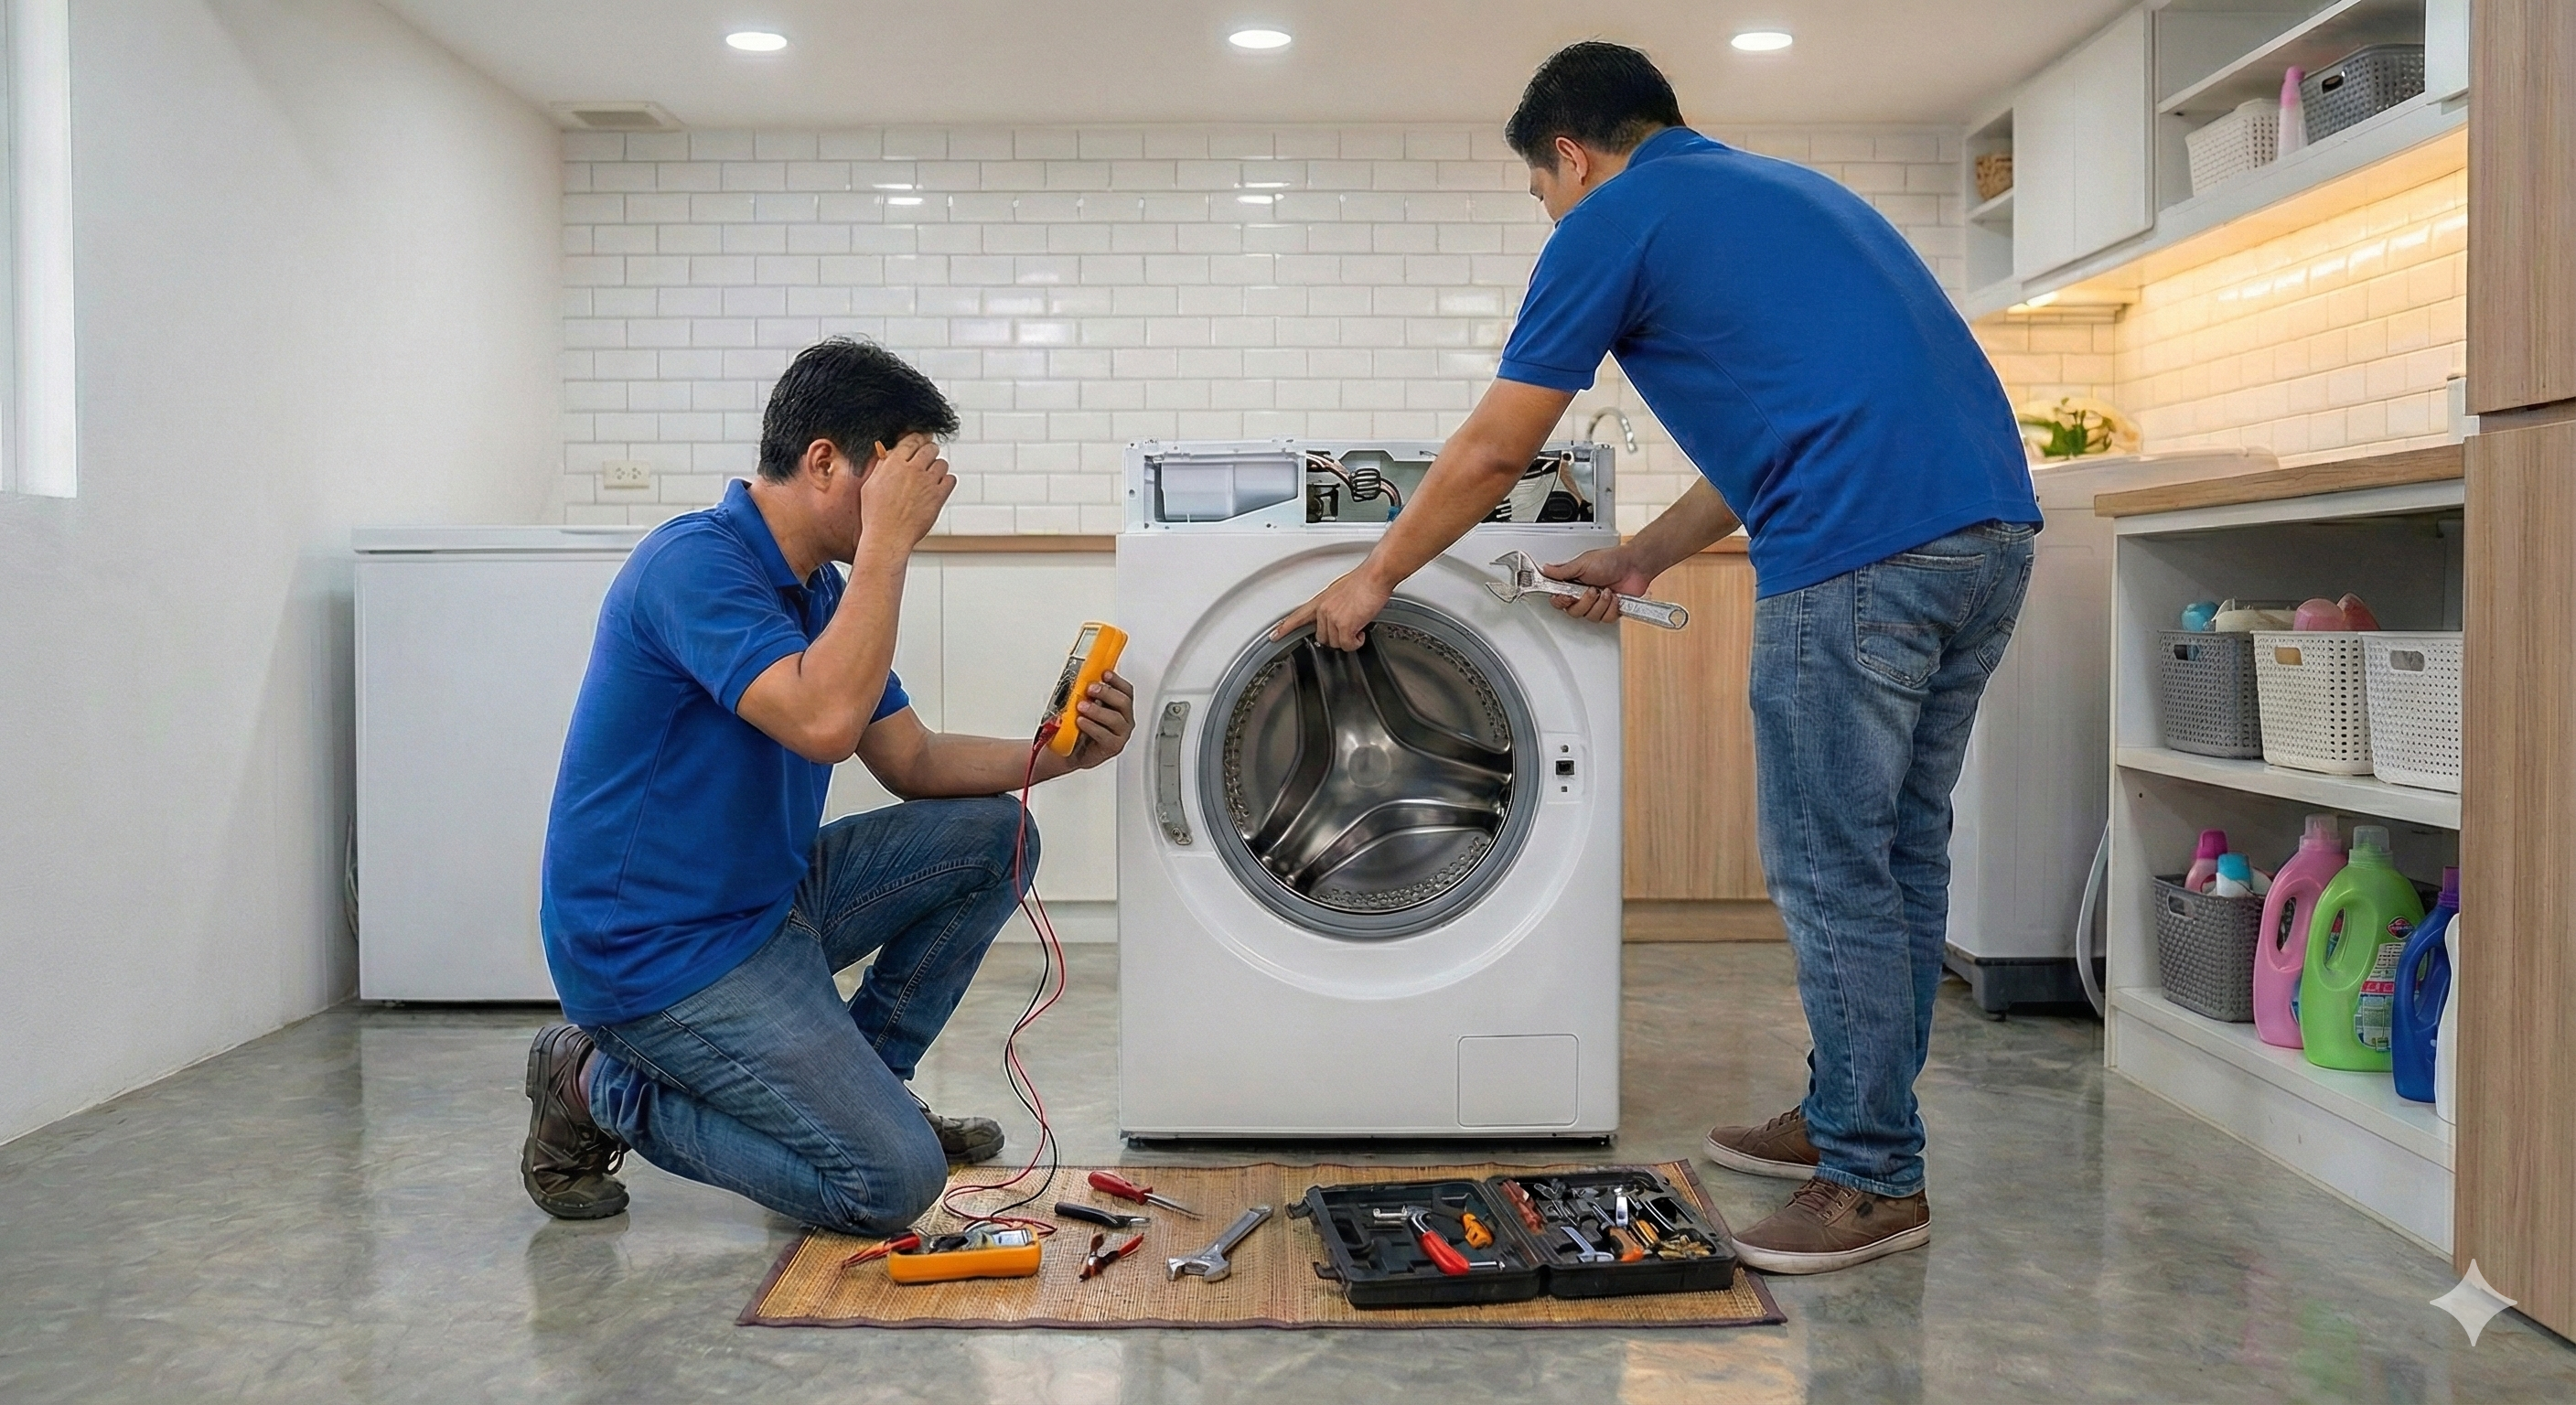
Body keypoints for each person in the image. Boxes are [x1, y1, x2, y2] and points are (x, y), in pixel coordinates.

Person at [1277, 42, 2041, 1274]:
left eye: (1542, 189)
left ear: (1568, 153)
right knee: (1896, 853)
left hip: (1858, 552)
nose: (1551, 210)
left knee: (1832, 867)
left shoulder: (1614, 214)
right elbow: (1775, 438)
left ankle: (1871, 1174)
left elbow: (1490, 451)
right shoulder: (1786, 193)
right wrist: (1639, 555)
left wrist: (1373, 575)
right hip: (1986, 537)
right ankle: (1846, 1114)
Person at [520, 338, 1135, 1233]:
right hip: (658, 955)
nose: (917, 506)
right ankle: (594, 1082)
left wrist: (1062, 755)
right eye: (896, 476)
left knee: (992, 834)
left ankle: (867, 1089)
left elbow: (911, 762)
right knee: (890, 1187)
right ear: (823, 462)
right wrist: (888, 544)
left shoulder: (817, 593)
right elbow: (821, 723)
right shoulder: (693, 566)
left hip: (767, 905)